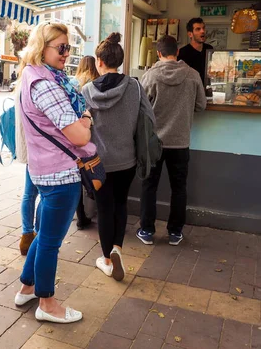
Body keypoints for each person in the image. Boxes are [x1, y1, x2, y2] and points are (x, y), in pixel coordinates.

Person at [15, 22, 95, 324]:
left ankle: (27, 286)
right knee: (50, 241)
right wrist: (86, 117)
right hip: (61, 174)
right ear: (42, 48)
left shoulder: (33, 77)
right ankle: (47, 304)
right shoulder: (46, 84)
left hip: (44, 170)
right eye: (60, 47)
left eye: (68, 48)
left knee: (44, 235)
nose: (66, 53)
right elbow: (78, 136)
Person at [82, 33, 155, 281]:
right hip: (127, 160)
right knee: (121, 204)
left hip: (98, 163)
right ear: (120, 61)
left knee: (104, 209)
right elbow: (149, 119)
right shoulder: (134, 86)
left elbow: (81, 128)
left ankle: (105, 260)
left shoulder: (86, 91)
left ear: (99, 62)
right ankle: (117, 249)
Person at [137, 35, 206, 246]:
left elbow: (140, 107)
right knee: (179, 188)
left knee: (149, 186)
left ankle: (147, 231)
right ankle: (175, 232)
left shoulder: (149, 77)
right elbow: (201, 105)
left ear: (158, 53)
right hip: (180, 142)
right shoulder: (193, 75)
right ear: (177, 52)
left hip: (154, 142)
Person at [16, 57, 41, 256]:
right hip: (41, 148)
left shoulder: (21, 83)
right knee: (47, 195)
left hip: (29, 146)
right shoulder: (37, 83)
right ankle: (38, 235)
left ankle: (26, 235)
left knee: (29, 193)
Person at [71, 55, 100, 229]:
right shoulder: (96, 83)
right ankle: (95, 210)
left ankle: (81, 217)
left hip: (75, 134)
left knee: (78, 176)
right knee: (94, 174)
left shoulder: (74, 83)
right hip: (93, 136)